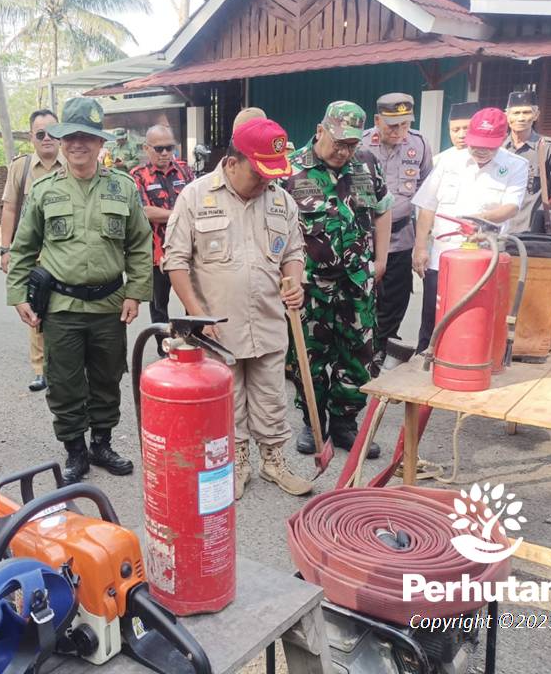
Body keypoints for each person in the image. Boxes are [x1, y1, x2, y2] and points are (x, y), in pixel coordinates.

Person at [164, 118, 314, 498]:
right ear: (232, 163)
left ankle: (273, 460)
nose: (266, 181)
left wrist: (294, 282)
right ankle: (237, 461)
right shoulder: (196, 197)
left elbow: (293, 251)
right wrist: (196, 314)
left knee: (270, 395)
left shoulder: (281, 199)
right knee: (227, 400)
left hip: (267, 320)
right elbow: (175, 261)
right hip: (218, 327)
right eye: (258, 172)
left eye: (272, 174)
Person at [7, 97, 152, 485]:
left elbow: (140, 243)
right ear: (61, 140)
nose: (77, 145)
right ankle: (75, 449)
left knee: (107, 379)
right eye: (70, 137)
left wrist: (135, 293)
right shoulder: (44, 190)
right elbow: (23, 247)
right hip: (62, 306)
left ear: (100, 143)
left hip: (109, 304)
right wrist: (18, 295)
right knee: (65, 382)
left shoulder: (123, 188)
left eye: (86, 137)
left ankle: (102, 443)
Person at [287, 102, 393, 460]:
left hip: (357, 280)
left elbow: (382, 209)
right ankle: (312, 422)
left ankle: (345, 423)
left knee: (360, 356)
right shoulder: (291, 170)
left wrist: (380, 259)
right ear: (321, 130)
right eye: (338, 142)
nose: (345, 151)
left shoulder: (366, 163)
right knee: (310, 357)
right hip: (310, 284)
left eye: (351, 144)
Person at [412, 107, 528, 352]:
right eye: (476, 145)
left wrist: (483, 219)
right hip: (441, 258)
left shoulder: (516, 165)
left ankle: (466, 363)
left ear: (502, 139)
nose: (481, 151)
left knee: (473, 322)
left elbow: (511, 206)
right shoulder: (447, 162)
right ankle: (424, 363)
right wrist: (420, 247)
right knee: (432, 320)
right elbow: (427, 206)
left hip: (484, 259)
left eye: (489, 146)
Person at [360, 93, 433, 357]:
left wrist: (422, 243)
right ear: (378, 120)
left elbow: (427, 191)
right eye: (393, 125)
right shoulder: (361, 143)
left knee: (396, 297)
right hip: (365, 236)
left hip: (401, 236)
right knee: (365, 296)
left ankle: (383, 349)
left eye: (405, 124)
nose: (400, 131)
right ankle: (364, 348)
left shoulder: (420, 144)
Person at [0, 109, 66, 392]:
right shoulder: (21, 167)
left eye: (52, 132)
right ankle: (40, 369)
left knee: (66, 311)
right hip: (33, 254)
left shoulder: (72, 163)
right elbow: (10, 208)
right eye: (40, 134)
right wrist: (5, 249)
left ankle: (65, 366)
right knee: (36, 310)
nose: (47, 138)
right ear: (32, 138)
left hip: (64, 252)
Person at [130, 125, 195, 356]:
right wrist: (179, 215)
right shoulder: (138, 175)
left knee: (192, 300)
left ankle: (190, 344)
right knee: (159, 306)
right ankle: (164, 348)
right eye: (159, 148)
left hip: (188, 251)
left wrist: (174, 216)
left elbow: (196, 203)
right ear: (147, 149)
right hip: (157, 254)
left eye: (169, 147)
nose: (165, 153)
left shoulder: (185, 171)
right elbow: (143, 211)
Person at [502, 90, 551, 234]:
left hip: (532, 229)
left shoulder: (549, 148)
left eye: (526, 112)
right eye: (516, 113)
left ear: (536, 115)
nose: (521, 118)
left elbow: (550, 188)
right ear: (507, 116)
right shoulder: (498, 149)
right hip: (501, 227)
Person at [434, 101, 480, 165]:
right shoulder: (439, 161)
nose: (461, 135)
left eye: (467, 130)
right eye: (455, 130)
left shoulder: (492, 158)